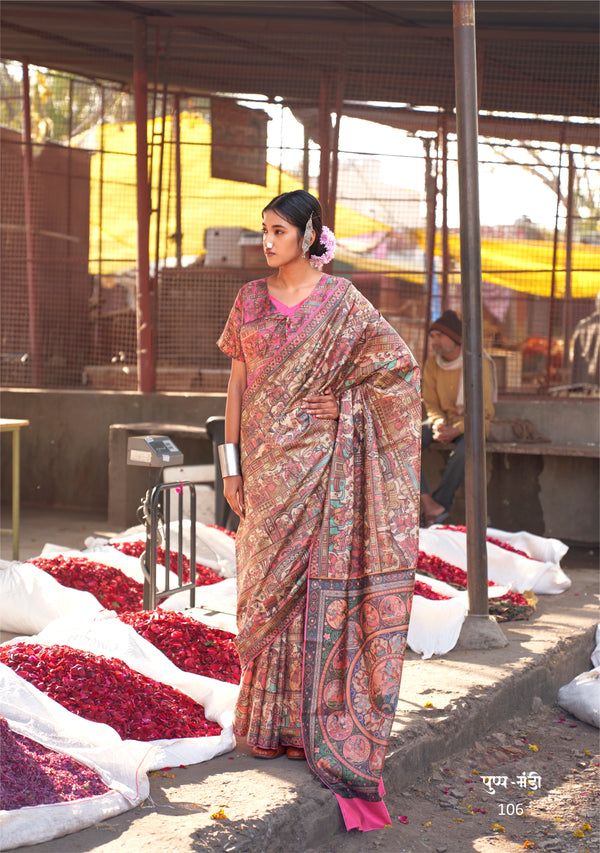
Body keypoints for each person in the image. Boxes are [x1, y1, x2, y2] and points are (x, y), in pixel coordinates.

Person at [216, 190, 421, 831]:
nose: (267, 240)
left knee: (310, 595)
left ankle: (309, 725)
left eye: (278, 230)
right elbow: (236, 387)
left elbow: (397, 372)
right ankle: (266, 722)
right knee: (260, 594)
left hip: (320, 470)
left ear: (309, 236)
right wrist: (230, 467)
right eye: (264, 230)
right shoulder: (249, 299)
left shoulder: (343, 304)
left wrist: (350, 404)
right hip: (263, 475)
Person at [420, 309, 495, 527]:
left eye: (439, 336)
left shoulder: (477, 362)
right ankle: (428, 503)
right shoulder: (432, 365)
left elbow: (484, 409)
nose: (435, 342)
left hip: (473, 423)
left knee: (465, 451)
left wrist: (459, 428)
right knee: (404, 442)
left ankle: (441, 504)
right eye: (432, 337)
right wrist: (438, 423)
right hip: (442, 423)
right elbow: (431, 403)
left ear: (455, 339)